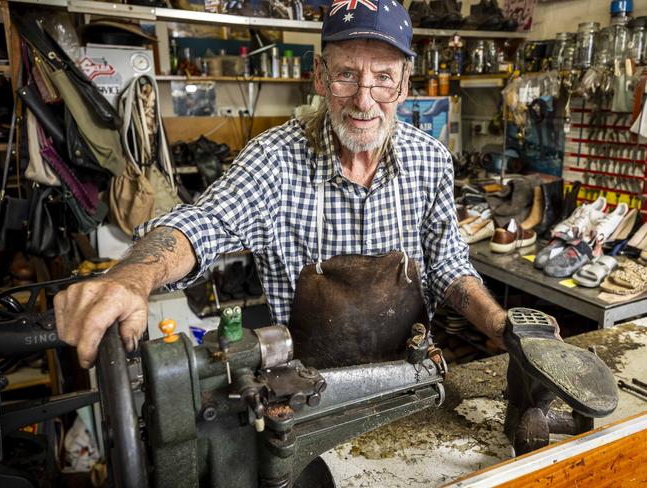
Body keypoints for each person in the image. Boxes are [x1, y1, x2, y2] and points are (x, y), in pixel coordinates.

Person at [55, 0, 508, 369]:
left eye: (383, 78)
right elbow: (203, 224)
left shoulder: (429, 160)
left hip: (408, 376)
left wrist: (503, 328)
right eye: (347, 75)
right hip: (308, 386)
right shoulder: (275, 158)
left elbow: (448, 264)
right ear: (320, 76)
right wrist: (132, 278)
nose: (364, 100)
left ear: (405, 84)